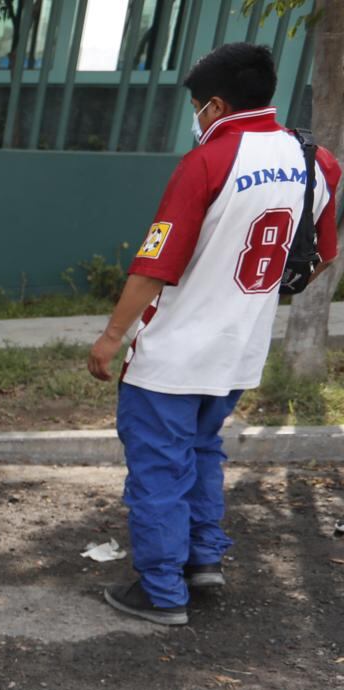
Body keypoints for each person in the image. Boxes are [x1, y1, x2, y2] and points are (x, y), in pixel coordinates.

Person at [88, 42, 339, 626]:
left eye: (198, 105)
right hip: (237, 353)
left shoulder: (207, 161)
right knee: (202, 452)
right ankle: (203, 562)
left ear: (217, 104)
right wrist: (257, 297)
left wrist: (111, 336)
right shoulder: (316, 161)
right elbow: (324, 254)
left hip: (172, 357)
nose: (196, 116)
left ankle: (161, 591)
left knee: (158, 466)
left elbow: (154, 264)